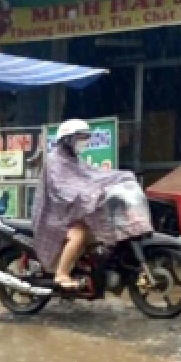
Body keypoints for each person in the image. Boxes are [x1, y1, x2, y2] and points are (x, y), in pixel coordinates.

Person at [31, 119, 144, 291]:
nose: (83, 142)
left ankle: (85, 269)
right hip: (55, 216)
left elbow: (94, 175)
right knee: (79, 235)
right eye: (80, 138)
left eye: (85, 138)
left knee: (100, 231)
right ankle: (61, 274)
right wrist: (92, 195)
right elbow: (64, 191)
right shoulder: (55, 161)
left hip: (70, 215)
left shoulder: (73, 159)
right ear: (67, 139)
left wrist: (120, 179)